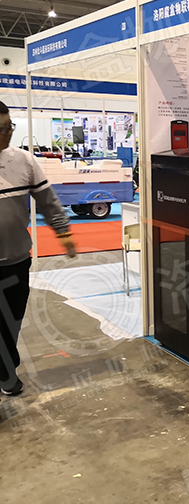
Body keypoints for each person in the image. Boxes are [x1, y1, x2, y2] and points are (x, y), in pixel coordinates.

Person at [0, 101, 76, 397]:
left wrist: (63, 232)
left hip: (16, 261)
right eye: (0, 129)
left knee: (11, 321)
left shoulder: (24, 161)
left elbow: (48, 201)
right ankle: (6, 373)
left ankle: (6, 369)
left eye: (8, 127)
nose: (6, 134)